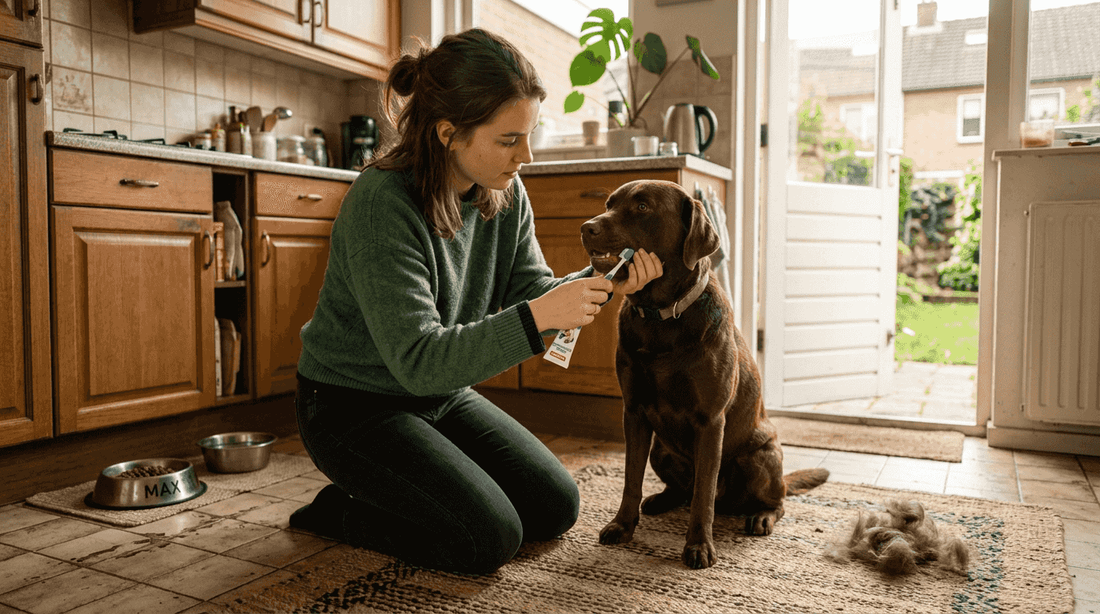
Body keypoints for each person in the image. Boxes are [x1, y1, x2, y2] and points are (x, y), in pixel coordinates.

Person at [290, 28, 663, 575]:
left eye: (528, 135)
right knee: (487, 539)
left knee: (555, 505)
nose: (526, 156)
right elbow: (418, 359)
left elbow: (535, 291)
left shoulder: (504, 193)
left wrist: (603, 277)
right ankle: (341, 513)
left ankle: (408, 488)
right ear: (449, 133)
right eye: (509, 139)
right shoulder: (381, 205)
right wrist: (541, 318)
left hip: (437, 394)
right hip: (350, 407)